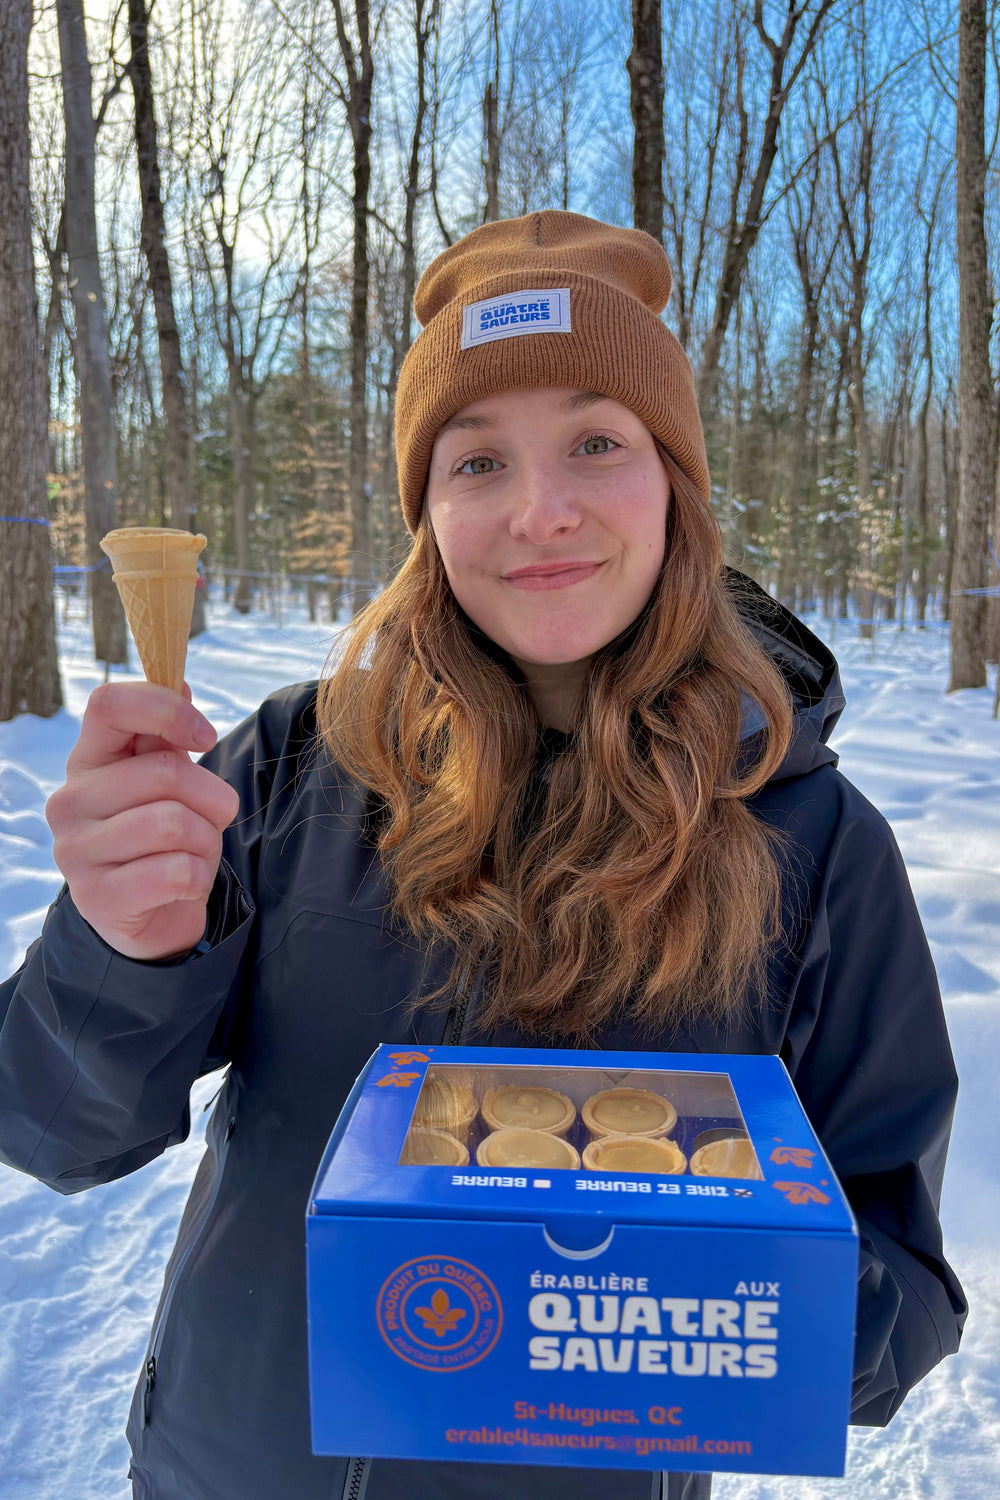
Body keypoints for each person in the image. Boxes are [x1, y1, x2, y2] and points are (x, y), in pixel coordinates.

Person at [0, 212, 966, 1500]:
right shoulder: (296, 765)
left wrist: (721, 1280)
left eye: (596, 441)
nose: (541, 510)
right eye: (476, 462)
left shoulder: (815, 841)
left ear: (672, 482)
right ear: (427, 513)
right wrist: (118, 946)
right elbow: (58, 1128)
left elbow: (895, 1309)